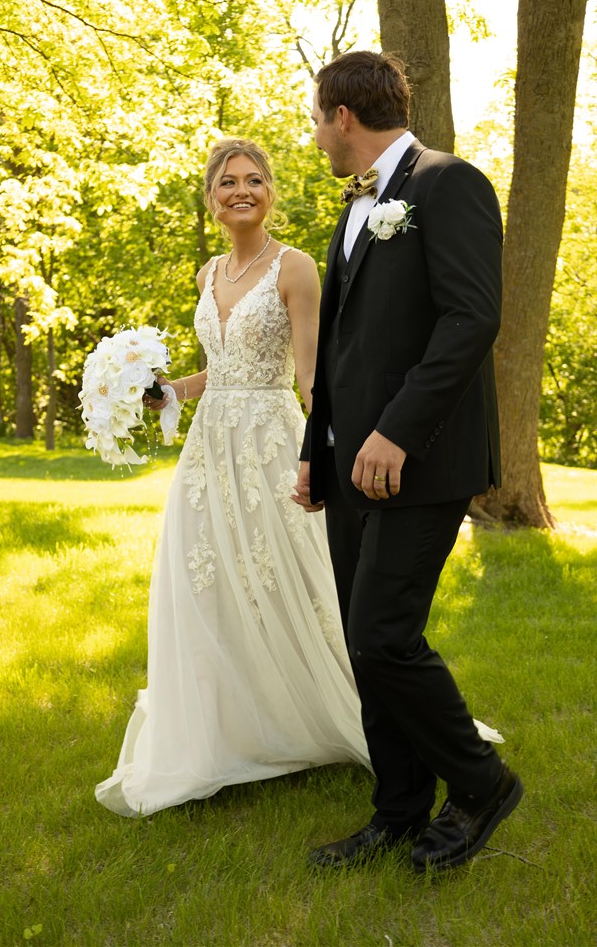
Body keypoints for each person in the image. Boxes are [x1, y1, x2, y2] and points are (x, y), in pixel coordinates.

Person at [293, 51, 522, 872]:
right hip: (351, 464)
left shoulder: (446, 183)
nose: (316, 134)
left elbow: (469, 319)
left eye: (318, 118)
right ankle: (395, 811)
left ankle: (481, 783)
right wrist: (317, 451)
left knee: (383, 635)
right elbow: (342, 355)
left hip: (418, 457)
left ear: (342, 117)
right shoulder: (357, 206)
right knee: (364, 645)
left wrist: (394, 431)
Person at [95, 138, 372, 817]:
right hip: (208, 447)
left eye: (253, 180)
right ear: (211, 196)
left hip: (270, 442)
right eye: (227, 182)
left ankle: (315, 713)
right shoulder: (207, 272)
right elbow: (220, 365)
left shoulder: (295, 267)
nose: (240, 190)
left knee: (284, 576)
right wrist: (168, 391)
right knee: (205, 581)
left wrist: (322, 450)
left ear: (269, 191)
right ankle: (227, 730)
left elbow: (309, 373)